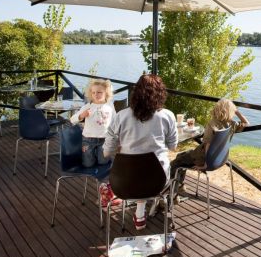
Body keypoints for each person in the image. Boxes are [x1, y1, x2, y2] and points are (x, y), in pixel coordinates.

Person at [101, 74, 178, 230]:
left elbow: (107, 152)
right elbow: (173, 146)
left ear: (136, 93)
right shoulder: (167, 116)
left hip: (125, 181)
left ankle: (137, 210)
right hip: (157, 180)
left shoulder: (121, 116)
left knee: (135, 168)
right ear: (160, 93)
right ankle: (141, 212)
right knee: (150, 169)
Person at [169, 98, 249, 193]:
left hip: (202, 157)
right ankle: (178, 186)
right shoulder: (232, 124)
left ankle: (172, 191)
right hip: (221, 158)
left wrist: (206, 165)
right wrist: (236, 112)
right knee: (182, 157)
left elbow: (208, 145)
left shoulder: (212, 124)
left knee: (177, 162)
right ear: (231, 111)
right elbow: (246, 123)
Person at [69, 78, 116, 168]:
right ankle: (89, 156)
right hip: (88, 139)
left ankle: (100, 156)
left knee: (103, 162)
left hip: (105, 139)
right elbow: (72, 120)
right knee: (88, 164)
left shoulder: (110, 105)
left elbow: (115, 120)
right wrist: (82, 115)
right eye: (93, 92)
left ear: (106, 93)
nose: (96, 95)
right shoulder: (88, 106)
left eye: (99, 92)